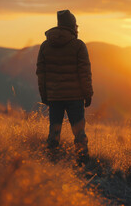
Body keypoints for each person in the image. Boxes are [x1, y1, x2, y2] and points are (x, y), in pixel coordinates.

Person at [36, 10, 93, 165]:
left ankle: (51, 161)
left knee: (54, 131)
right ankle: (83, 163)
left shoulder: (45, 46)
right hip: (75, 97)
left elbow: (41, 74)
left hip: (54, 97)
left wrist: (45, 96)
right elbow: (85, 72)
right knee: (79, 132)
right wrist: (88, 94)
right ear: (72, 26)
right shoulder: (78, 46)